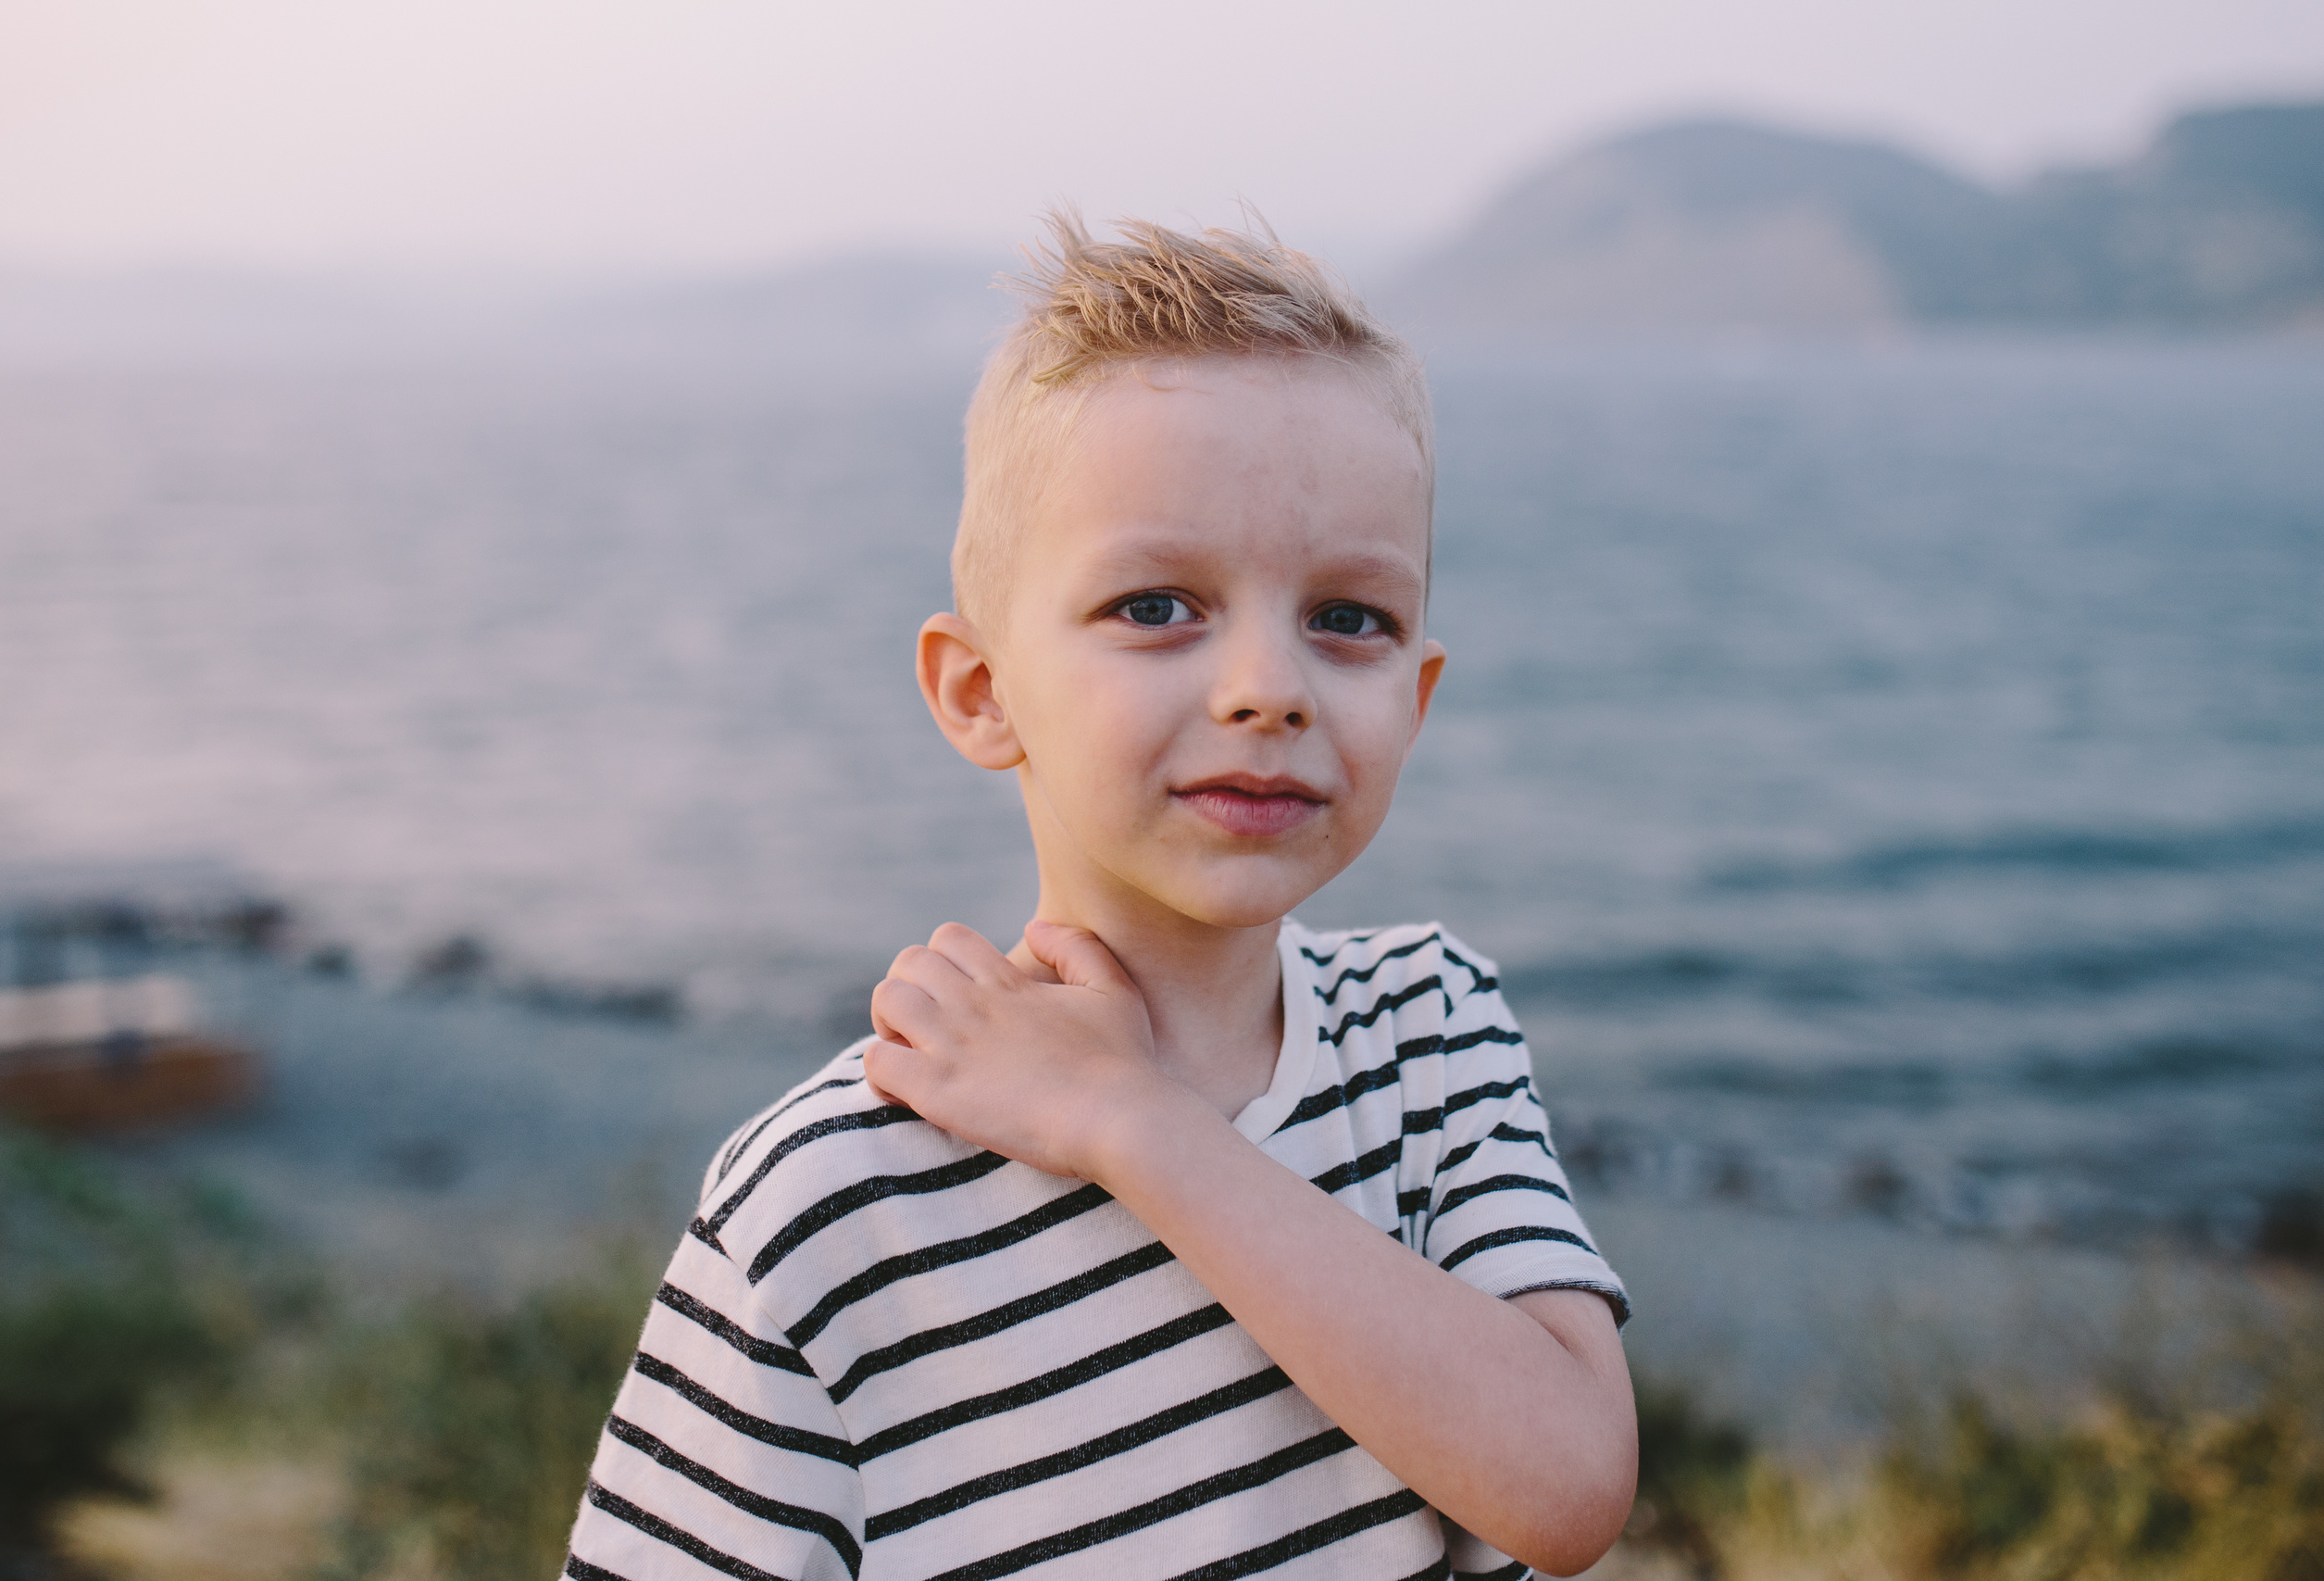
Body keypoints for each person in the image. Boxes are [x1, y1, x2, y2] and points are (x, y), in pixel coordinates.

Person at [565, 214, 1637, 1581]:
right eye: (1157, 606)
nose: (1272, 686)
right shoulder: (828, 1200)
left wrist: (1130, 1124)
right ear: (980, 689)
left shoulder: (1427, 1031)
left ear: (1415, 700)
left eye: (1349, 619)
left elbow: (1567, 1486)